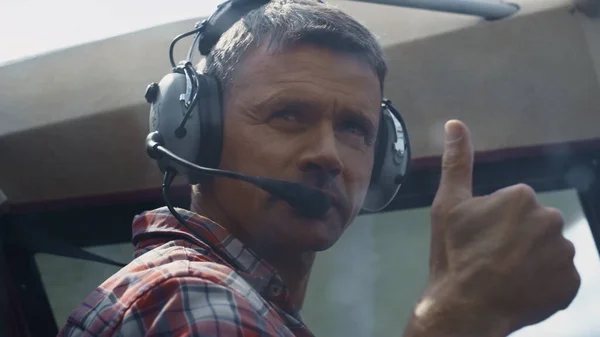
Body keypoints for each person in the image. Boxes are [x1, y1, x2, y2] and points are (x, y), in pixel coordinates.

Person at [58, 0, 581, 336]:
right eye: (288, 115)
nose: (328, 155)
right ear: (194, 132)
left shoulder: (247, 307)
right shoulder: (190, 298)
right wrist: (463, 311)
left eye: (355, 129)